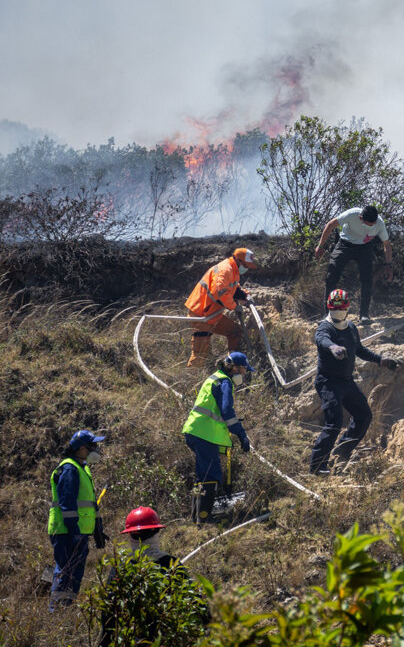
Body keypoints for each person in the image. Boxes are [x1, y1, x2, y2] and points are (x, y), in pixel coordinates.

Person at [309, 289, 398, 475]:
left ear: (348, 308)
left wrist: (381, 360)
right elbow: (322, 340)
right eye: (335, 308)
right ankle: (317, 467)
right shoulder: (324, 327)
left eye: (341, 308)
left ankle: (342, 450)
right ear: (329, 307)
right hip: (328, 382)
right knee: (334, 423)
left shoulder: (350, 328)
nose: (338, 312)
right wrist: (333, 347)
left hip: (347, 382)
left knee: (364, 415)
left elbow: (359, 349)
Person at [98, 507, 194, 646]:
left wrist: (105, 642)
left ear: (130, 535)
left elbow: (108, 610)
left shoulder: (121, 566)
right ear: (156, 532)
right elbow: (194, 602)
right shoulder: (172, 564)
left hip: (128, 638)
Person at [182, 352, 254, 523]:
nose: (243, 374)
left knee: (203, 475)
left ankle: (197, 517)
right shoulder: (225, 382)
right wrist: (242, 435)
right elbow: (227, 412)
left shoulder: (214, 377)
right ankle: (205, 519)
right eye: (243, 370)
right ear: (234, 368)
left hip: (195, 431)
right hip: (204, 434)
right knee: (211, 474)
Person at [47, 429, 107, 609]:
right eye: (92, 446)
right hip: (67, 532)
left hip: (78, 532)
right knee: (66, 573)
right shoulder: (69, 469)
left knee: (74, 574)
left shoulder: (83, 469)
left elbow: (89, 505)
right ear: (81, 449)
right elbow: (67, 504)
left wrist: (97, 530)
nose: (96, 449)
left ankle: (66, 608)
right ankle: (56, 612)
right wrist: (74, 532)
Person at [313, 205, 395, 324]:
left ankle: (364, 315)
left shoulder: (379, 223)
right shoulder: (352, 214)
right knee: (331, 275)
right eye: (367, 224)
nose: (369, 227)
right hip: (344, 244)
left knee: (367, 279)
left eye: (372, 225)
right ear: (360, 218)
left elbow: (387, 244)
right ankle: (328, 315)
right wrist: (320, 246)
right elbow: (331, 224)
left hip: (364, 248)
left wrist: (389, 265)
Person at [184, 247, 258, 367]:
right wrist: (234, 307)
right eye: (246, 265)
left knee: (235, 332)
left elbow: (233, 289)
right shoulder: (225, 270)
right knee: (200, 354)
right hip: (201, 315)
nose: (247, 268)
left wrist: (244, 296)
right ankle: (190, 380)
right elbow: (220, 293)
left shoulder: (233, 271)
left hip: (211, 315)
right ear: (238, 261)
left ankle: (231, 366)